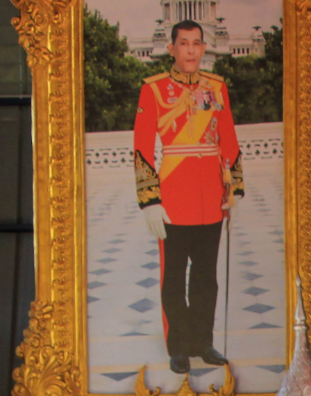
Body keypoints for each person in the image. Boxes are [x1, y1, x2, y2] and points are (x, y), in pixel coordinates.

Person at [134, 18, 243, 376]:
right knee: (174, 277)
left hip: (210, 197)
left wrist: (235, 189)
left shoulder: (217, 87)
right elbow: (143, 148)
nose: (191, 51)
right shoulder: (154, 90)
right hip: (173, 200)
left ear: (203, 47)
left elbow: (228, 138)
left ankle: (202, 342)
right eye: (184, 44)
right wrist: (150, 201)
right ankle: (179, 346)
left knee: (206, 278)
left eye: (197, 43)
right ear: (172, 49)